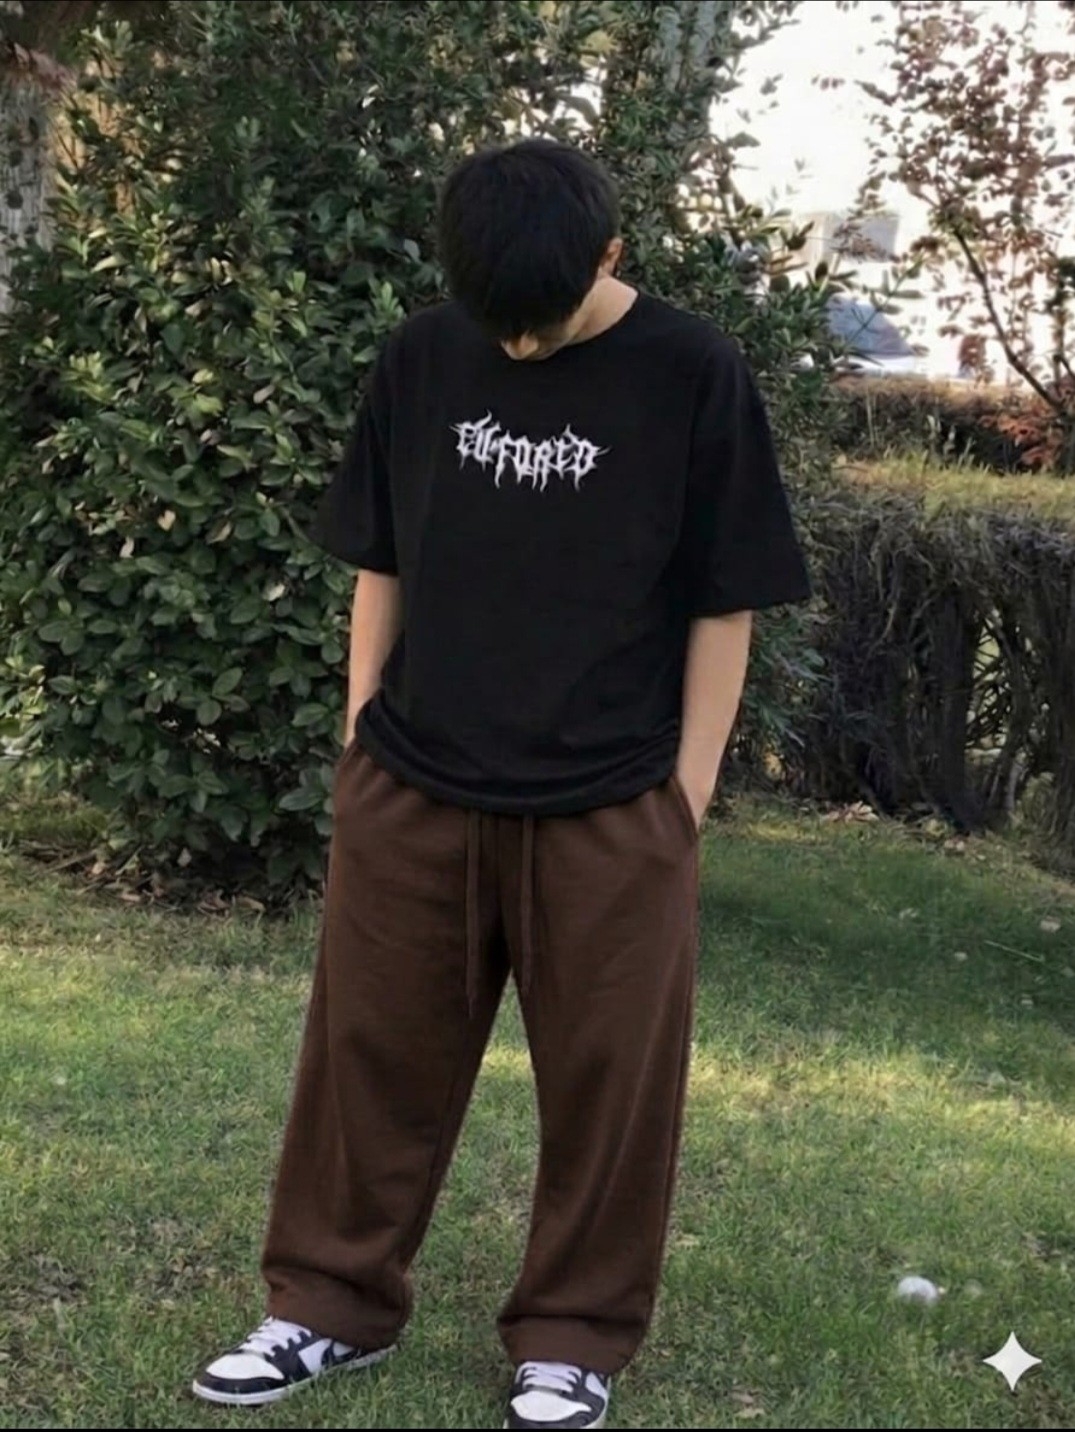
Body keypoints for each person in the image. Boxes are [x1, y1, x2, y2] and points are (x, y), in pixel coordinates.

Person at [192, 138, 812, 1430]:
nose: (518, 347)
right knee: (367, 1060)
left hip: (614, 801)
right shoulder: (423, 356)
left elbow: (728, 597)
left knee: (609, 1086)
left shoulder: (693, 371)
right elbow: (381, 559)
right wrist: (361, 736)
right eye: (498, 325)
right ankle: (328, 1306)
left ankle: (572, 1337)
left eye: (543, 322)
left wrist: (685, 796)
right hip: (414, 782)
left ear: (611, 255)